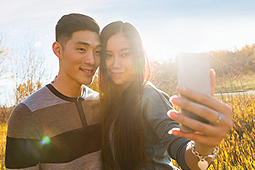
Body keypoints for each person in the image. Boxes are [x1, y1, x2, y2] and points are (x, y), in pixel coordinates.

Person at [99, 21, 232, 170]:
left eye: (125, 54)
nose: (115, 64)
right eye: (108, 55)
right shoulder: (108, 99)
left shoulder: (149, 97)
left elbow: (180, 148)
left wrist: (203, 146)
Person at [5, 13, 102, 170]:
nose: (92, 60)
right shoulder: (27, 113)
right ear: (58, 50)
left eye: (97, 51)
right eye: (82, 49)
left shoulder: (101, 103)